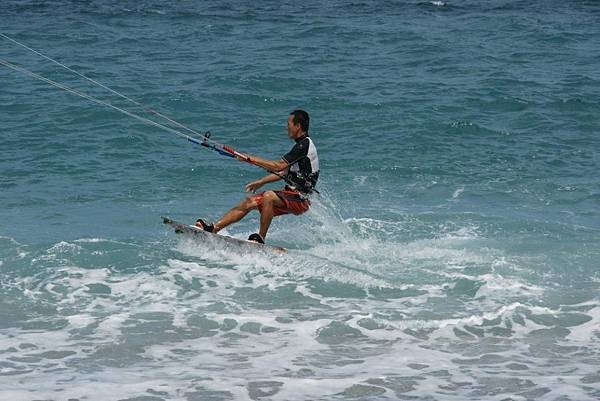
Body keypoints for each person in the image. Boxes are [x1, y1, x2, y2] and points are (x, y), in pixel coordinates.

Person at [195, 110, 319, 244]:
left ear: (298, 126)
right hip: (290, 195)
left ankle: (260, 238)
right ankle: (213, 229)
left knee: (268, 196)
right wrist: (261, 182)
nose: (286, 127)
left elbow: (278, 166)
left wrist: (250, 158)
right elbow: (284, 172)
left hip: (301, 199)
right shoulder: (300, 146)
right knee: (248, 202)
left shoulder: (304, 145)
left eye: (288, 123)